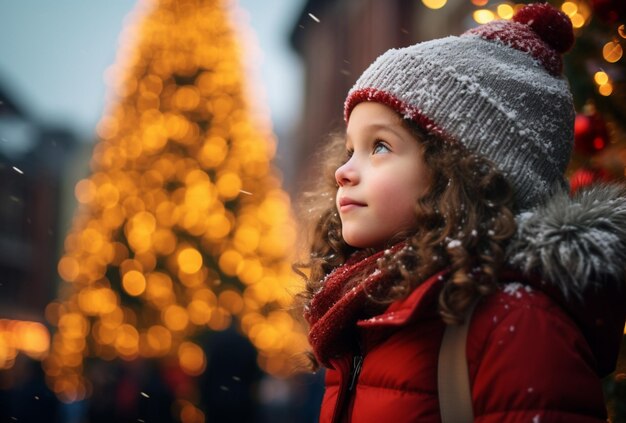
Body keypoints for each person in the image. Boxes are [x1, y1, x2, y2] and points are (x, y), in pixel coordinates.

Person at [295, 3, 626, 422]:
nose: (343, 172)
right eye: (349, 150)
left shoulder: (519, 323)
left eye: (379, 146)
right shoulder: (362, 314)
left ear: (462, 171)